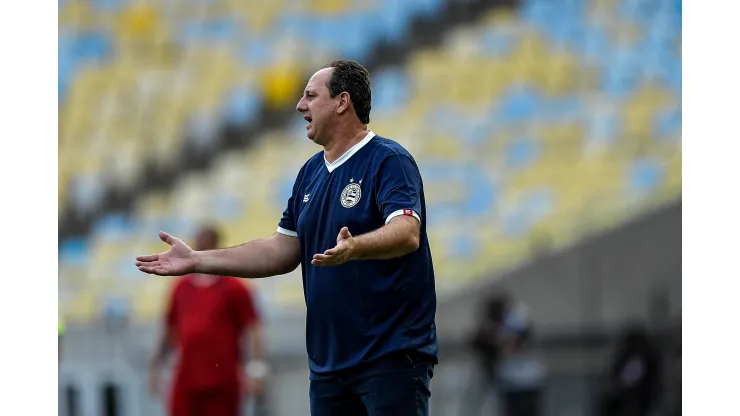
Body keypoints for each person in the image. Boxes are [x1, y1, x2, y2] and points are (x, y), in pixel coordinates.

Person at [136, 60, 438, 416]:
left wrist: (355, 246)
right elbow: (280, 250)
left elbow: (407, 232)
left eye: (311, 95)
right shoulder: (309, 173)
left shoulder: (389, 160)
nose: (300, 105)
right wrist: (198, 260)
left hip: (389, 355)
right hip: (329, 365)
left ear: (342, 102)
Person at [148, 225, 267, 416]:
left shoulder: (234, 287)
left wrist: (256, 369)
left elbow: (253, 329)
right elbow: (169, 329)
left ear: (216, 245)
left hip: (223, 379)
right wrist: (155, 366)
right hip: (186, 378)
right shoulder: (181, 287)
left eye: (206, 241)